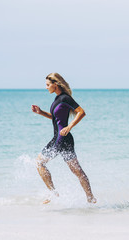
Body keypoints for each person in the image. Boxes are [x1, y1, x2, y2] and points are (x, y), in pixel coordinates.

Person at [31, 73, 96, 204]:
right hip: (61, 138)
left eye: (48, 85)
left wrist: (70, 126)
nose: (46, 87)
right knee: (76, 170)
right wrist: (41, 112)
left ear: (56, 84)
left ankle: (53, 193)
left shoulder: (65, 98)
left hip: (61, 138)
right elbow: (56, 119)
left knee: (39, 162)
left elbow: (81, 112)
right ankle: (91, 198)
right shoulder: (57, 99)